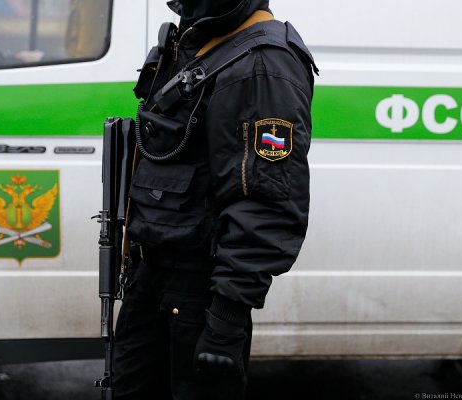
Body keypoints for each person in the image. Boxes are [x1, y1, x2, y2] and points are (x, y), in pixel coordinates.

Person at [112, 0, 317, 399]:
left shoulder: (263, 62)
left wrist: (225, 321)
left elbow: (267, 203)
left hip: (200, 295)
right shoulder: (197, 38)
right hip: (153, 278)